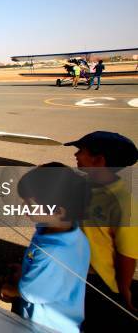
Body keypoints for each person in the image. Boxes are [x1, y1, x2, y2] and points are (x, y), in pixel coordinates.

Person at [1, 163, 91, 333]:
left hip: (47, 326)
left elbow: (31, 293)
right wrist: (26, 270)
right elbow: (54, 276)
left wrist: (11, 290)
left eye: (29, 203)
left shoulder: (54, 252)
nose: (23, 207)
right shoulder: (69, 233)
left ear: (59, 211)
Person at [65, 131, 138, 330]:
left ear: (99, 160)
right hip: (74, 270)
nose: (76, 155)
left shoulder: (122, 203)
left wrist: (124, 288)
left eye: (81, 151)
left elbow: (127, 254)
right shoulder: (86, 186)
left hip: (97, 281)